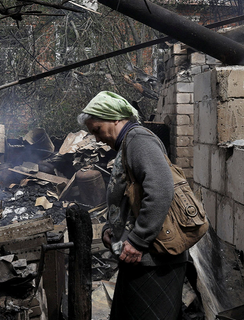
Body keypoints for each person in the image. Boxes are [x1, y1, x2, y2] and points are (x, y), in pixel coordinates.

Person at [77, 91, 187, 320]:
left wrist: (138, 240)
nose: (97, 138)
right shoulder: (128, 143)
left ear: (115, 118)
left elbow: (161, 189)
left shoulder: (139, 140)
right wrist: (111, 229)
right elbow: (127, 199)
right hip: (142, 258)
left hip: (155, 260)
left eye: (97, 130)